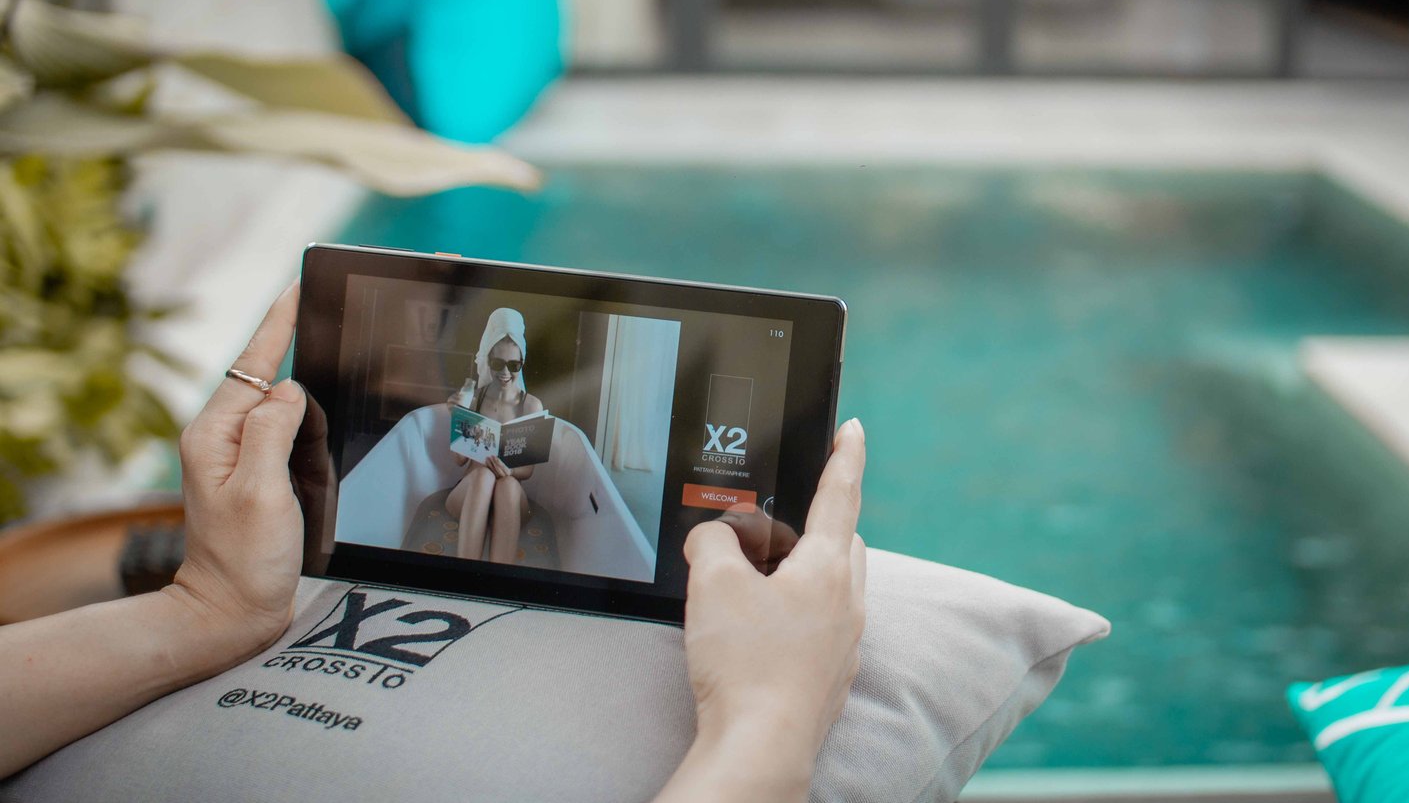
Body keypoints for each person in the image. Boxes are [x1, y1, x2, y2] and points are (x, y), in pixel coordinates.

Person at [0, 282, 868, 803]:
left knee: (498, 482)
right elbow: (452, 439)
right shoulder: (469, 394)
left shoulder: (531, 402)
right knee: (482, 482)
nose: (506, 367)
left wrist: (211, 607)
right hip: (470, 492)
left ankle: (482, 568)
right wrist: (771, 720)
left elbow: (532, 443)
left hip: (511, 492)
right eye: (503, 359)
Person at [441, 307, 541, 563]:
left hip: (511, 500)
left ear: (523, 362)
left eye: (514, 365)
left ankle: (499, 578)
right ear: (488, 359)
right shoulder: (474, 399)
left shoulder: (531, 405)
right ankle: (466, 577)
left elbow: (527, 471)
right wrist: (459, 416)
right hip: (472, 492)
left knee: (507, 484)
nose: (505, 373)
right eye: (497, 363)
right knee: (483, 475)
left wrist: (508, 471)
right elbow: (459, 461)